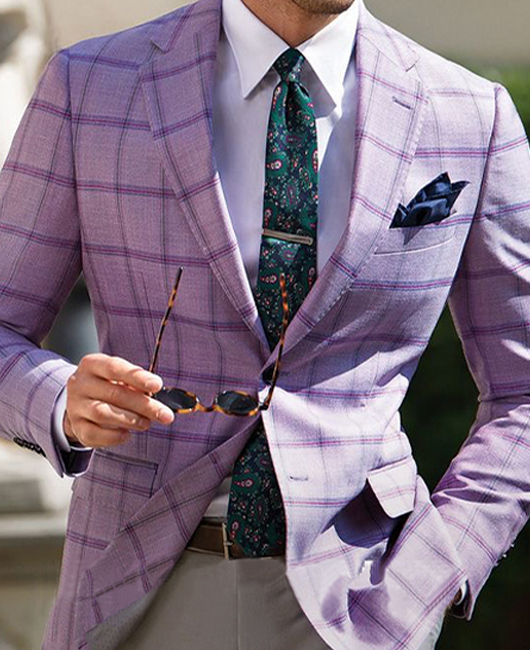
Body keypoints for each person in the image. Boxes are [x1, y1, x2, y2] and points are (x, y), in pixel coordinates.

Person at [1, 0, 529, 647]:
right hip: (133, 585)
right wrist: (60, 401)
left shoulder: (471, 113)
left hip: (365, 601)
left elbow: (522, 393)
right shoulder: (91, 84)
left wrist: (438, 569)